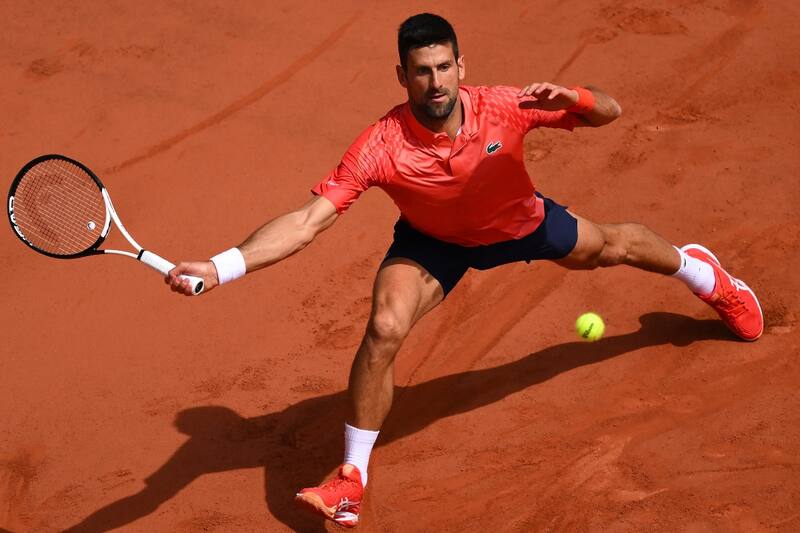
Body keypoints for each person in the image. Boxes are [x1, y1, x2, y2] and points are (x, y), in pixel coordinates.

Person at [166, 13, 763, 528]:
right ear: (402, 76)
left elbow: (611, 111)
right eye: (421, 71)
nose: (436, 82)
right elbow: (306, 221)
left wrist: (576, 99)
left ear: (460, 66)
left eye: (444, 67)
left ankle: (705, 275)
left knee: (611, 246)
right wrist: (221, 267)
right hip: (435, 245)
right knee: (384, 327)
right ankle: (351, 478)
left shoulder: (504, 105)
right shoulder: (380, 143)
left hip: (519, 225)